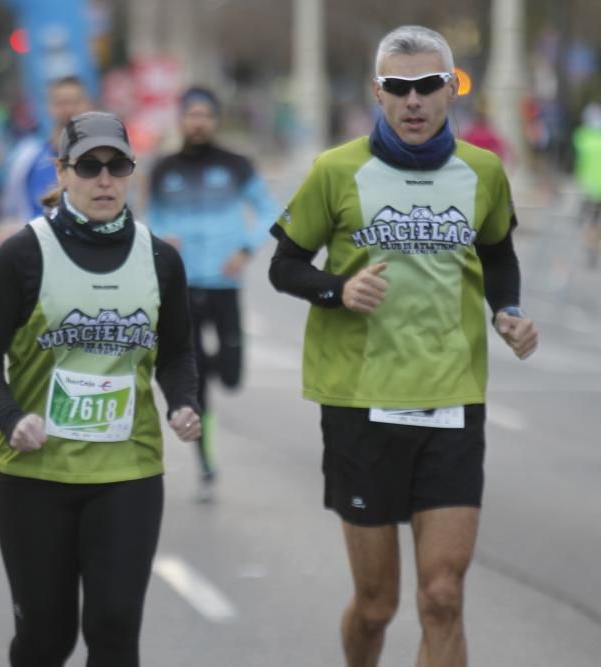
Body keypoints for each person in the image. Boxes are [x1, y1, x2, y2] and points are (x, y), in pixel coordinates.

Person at [267, 26, 538, 667]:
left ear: (450, 89)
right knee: (377, 604)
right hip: (360, 403)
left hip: (451, 399)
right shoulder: (336, 171)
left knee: (442, 596)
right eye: (398, 88)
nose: (412, 101)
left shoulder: (482, 171)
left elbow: (497, 255)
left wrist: (509, 312)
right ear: (377, 93)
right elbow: (285, 265)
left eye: (425, 87)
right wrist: (337, 290)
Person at [0, 111, 201, 667]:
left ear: (131, 173)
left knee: (115, 627)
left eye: (117, 166)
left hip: (128, 472)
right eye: (88, 166)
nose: (104, 179)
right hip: (34, 474)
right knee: (47, 638)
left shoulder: (161, 259)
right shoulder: (22, 255)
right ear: (62, 172)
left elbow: (177, 352)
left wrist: (184, 402)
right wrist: (10, 416)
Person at [147, 85, 278, 499]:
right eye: (191, 114)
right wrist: (162, 239)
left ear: (216, 119)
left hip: (225, 282)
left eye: (205, 114)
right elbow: (150, 217)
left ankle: (214, 370)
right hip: (183, 284)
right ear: (181, 119)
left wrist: (245, 248)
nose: (197, 122)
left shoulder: (236, 165)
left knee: (233, 373)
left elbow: (271, 210)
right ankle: (205, 459)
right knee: (196, 376)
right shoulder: (163, 169)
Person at [0, 75, 92, 246]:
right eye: (61, 103)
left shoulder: (104, 157)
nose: (69, 109)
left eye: (75, 102)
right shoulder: (25, 155)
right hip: (38, 250)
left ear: (88, 105)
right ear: (49, 107)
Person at [572, 102, 601, 268]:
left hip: (589, 188)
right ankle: (596, 243)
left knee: (589, 221)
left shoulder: (581, 136)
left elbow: (577, 157)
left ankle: (591, 245)